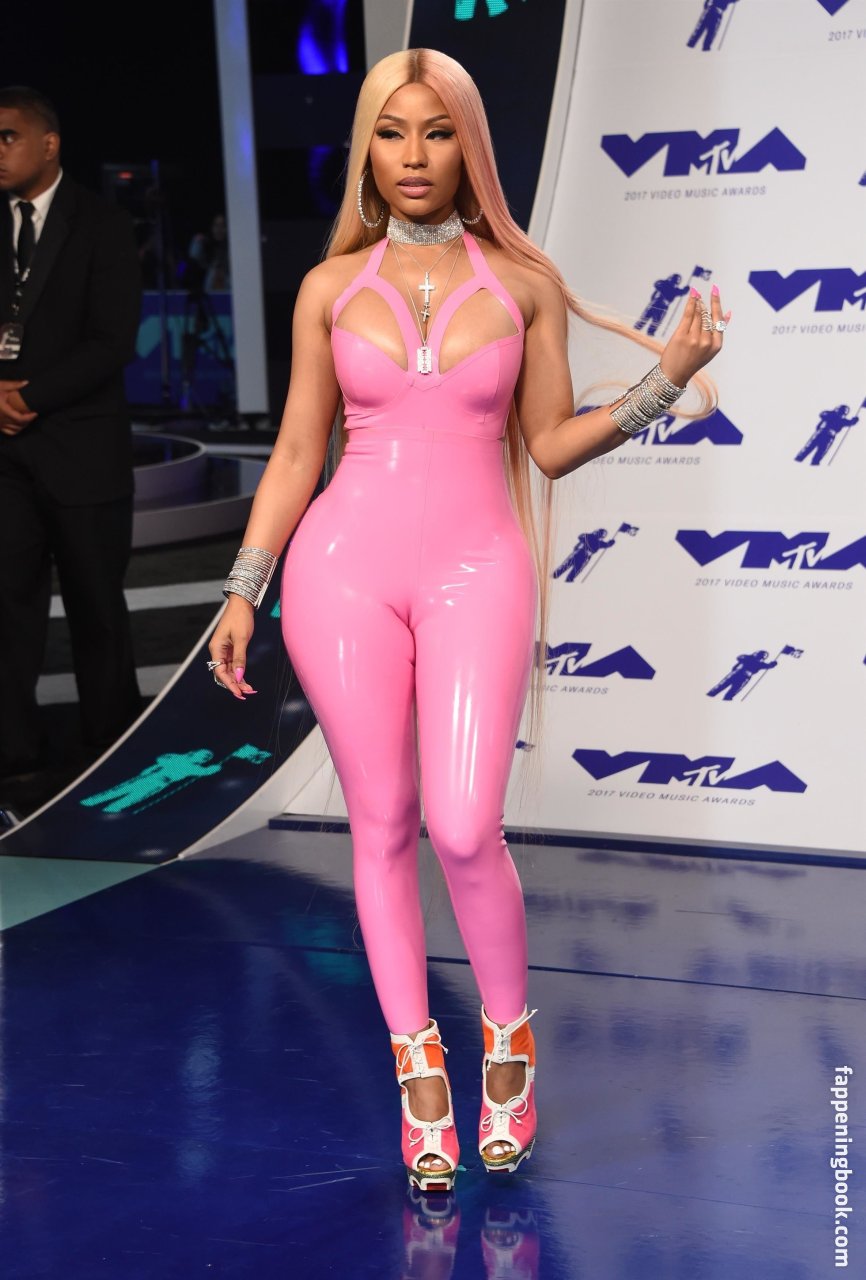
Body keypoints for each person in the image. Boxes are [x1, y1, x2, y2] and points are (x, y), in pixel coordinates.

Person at [207, 49, 729, 1191]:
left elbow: (548, 446)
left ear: (469, 147)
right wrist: (244, 586)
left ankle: (507, 1041)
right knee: (382, 822)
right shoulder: (326, 287)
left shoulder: (523, 283)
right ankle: (419, 1072)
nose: (412, 156)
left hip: (476, 567)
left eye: (436, 132)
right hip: (340, 569)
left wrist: (664, 382)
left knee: (459, 824)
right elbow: (296, 453)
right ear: (366, 147)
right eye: (391, 132)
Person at [0, 86, 142, 790]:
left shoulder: (104, 225)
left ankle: (111, 749)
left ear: (49, 143)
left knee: (97, 608)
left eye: (7, 137)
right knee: (7, 608)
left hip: (82, 450)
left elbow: (112, 341)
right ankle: (13, 752)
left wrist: (28, 397)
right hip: (5, 457)